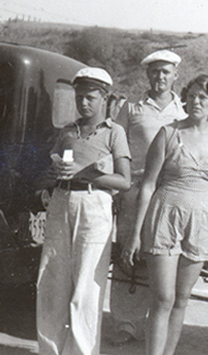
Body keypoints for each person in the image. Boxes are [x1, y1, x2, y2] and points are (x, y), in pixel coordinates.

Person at [123, 74, 208, 355]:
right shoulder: (168, 133)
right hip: (165, 217)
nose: (195, 101)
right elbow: (148, 185)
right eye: (191, 96)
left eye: (203, 97)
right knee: (163, 298)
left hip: (200, 223)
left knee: (181, 299)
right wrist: (135, 234)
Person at [36, 67, 131, 355]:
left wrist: (86, 174)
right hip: (62, 203)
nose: (83, 103)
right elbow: (54, 171)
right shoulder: (68, 131)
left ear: (104, 98)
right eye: (79, 97)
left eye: (90, 97)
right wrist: (49, 183)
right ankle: (49, 350)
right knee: (51, 282)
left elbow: (124, 181)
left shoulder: (115, 133)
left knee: (87, 288)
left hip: (94, 206)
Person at [109, 49, 187, 345]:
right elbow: (115, 147)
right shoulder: (131, 108)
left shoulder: (183, 110)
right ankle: (123, 323)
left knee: (161, 257)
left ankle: (152, 324)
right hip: (135, 188)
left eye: (166, 72)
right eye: (155, 71)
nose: (160, 77)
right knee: (128, 254)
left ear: (175, 75)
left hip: (169, 192)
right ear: (147, 75)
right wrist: (118, 189)